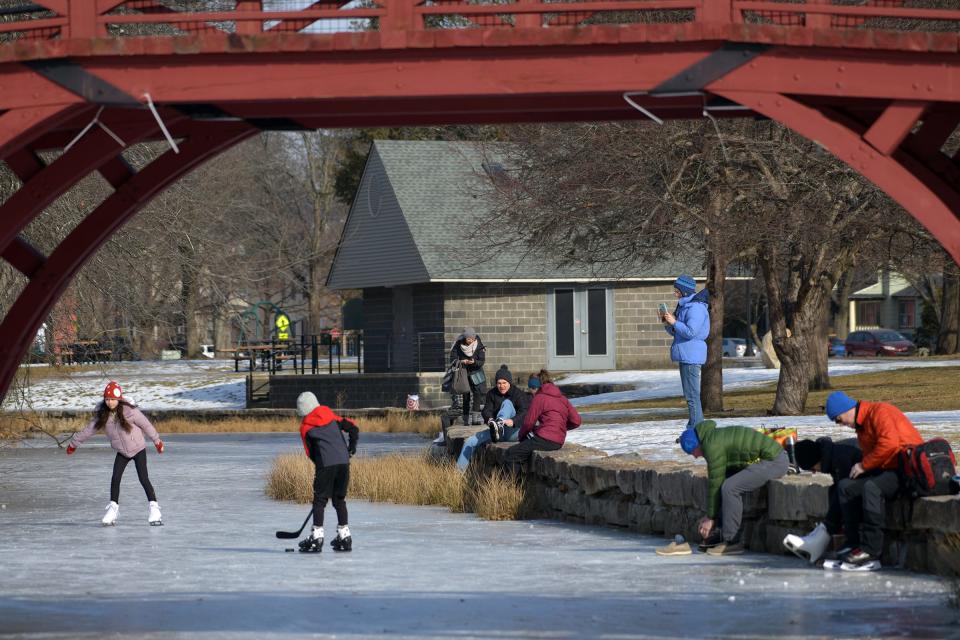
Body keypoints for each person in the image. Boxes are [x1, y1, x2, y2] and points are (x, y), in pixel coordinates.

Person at [825, 390, 922, 570]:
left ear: (847, 409)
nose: (840, 425)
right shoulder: (862, 426)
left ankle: (871, 551)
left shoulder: (880, 412)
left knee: (872, 488)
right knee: (846, 487)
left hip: (906, 470)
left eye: (838, 419)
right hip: (887, 469)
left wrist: (864, 466)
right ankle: (853, 544)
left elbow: (890, 444)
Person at [678, 420, 788, 556]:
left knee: (730, 488)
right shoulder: (711, 437)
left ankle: (732, 542)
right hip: (768, 459)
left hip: (775, 461)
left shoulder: (711, 445)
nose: (695, 457)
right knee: (726, 482)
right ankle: (721, 534)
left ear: (696, 445)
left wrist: (710, 517)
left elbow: (715, 482)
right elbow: (718, 482)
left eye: (692, 452)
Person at [66, 381, 165, 526]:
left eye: (112, 399)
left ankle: (155, 509)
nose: (110, 402)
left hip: (138, 449)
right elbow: (89, 430)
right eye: (107, 399)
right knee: (115, 478)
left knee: (143, 478)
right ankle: (113, 509)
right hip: (122, 452)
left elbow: (146, 425)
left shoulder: (129, 411)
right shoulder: (103, 415)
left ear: (118, 398)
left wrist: (157, 441)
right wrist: (74, 444)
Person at [295, 391, 359, 553]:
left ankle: (316, 538)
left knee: (319, 501)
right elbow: (353, 428)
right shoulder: (331, 417)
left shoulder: (305, 428)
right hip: (344, 462)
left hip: (326, 464)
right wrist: (350, 449)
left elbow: (310, 453)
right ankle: (345, 537)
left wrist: (323, 468)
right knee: (339, 500)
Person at [784, 436, 862, 563]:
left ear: (816, 459)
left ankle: (823, 539)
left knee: (841, 490)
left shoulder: (840, 458)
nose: (814, 473)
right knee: (834, 490)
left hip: (877, 476)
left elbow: (848, 491)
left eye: (812, 468)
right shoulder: (831, 454)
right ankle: (820, 535)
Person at [504, 370, 581, 476]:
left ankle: (511, 487)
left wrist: (521, 437)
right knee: (523, 451)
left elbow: (528, 423)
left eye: (532, 387)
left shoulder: (539, 398)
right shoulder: (562, 398)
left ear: (537, 385)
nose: (531, 390)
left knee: (511, 453)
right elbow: (576, 421)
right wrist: (559, 428)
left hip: (545, 440)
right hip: (558, 442)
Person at [456, 365, 530, 472]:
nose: (502, 386)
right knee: (470, 441)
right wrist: (490, 419)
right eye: (499, 383)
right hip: (495, 433)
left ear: (509, 382)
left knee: (507, 403)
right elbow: (486, 410)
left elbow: (524, 412)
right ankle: (458, 472)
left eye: (504, 383)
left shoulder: (518, 394)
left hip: (514, 432)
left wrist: (512, 421)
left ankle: (499, 424)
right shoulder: (491, 393)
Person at [660, 274, 709, 431]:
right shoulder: (685, 306)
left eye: (677, 290)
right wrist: (667, 323)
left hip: (691, 356)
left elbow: (691, 332)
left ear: (685, 291)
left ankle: (694, 429)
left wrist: (674, 322)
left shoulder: (696, 308)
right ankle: (696, 427)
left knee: (692, 396)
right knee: (691, 395)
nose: (675, 293)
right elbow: (677, 332)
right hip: (686, 354)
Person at [450, 327, 487, 426]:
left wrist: (474, 362)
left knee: (478, 394)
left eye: (472, 339)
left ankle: (475, 419)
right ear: (464, 338)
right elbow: (452, 359)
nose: (471, 341)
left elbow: (482, 361)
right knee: (465, 395)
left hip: (476, 372)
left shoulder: (479, 344)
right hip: (464, 372)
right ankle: (465, 419)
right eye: (468, 339)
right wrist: (462, 361)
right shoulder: (458, 344)